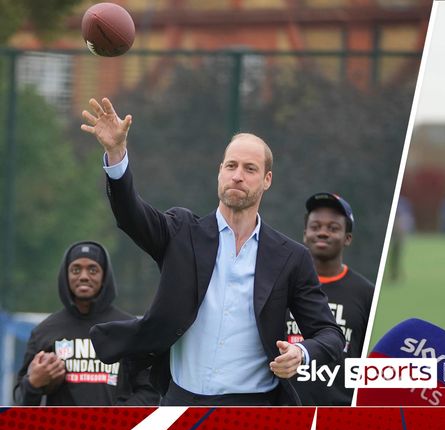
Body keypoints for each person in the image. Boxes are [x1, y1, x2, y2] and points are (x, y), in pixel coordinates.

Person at [80, 98, 345, 406]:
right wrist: (115, 153)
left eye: (250, 169)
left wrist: (301, 352)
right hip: (180, 403)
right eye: (231, 166)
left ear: (267, 180)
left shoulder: (291, 257)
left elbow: (330, 335)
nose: (237, 176)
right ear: (219, 172)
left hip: (254, 410)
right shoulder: (181, 232)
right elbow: (130, 215)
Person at [14, 241, 159, 406]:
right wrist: (34, 383)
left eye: (93, 269)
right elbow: (20, 402)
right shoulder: (45, 331)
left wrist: (118, 420)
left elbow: (150, 391)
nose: (83, 276)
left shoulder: (129, 328)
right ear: (65, 276)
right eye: (76, 269)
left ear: (104, 276)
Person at [285, 192, 375, 405]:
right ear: (305, 233)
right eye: (315, 227)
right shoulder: (281, 286)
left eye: (333, 228)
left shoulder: (365, 293)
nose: (323, 233)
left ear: (347, 238)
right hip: (285, 410)